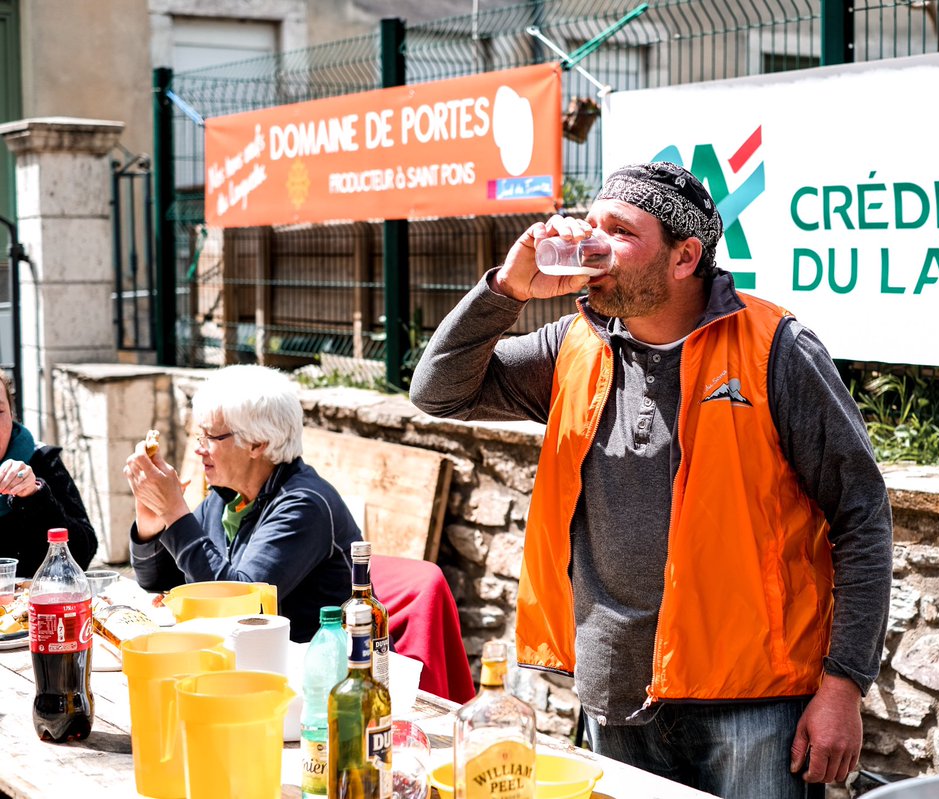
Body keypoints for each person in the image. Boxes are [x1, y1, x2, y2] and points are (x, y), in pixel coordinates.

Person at [410, 162, 893, 797]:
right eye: (592, 225)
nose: (593, 244)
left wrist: (843, 685)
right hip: (616, 692)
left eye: (620, 231)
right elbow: (437, 391)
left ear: (685, 257)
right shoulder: (573, 344)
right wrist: (506, 288)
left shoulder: (774, 348)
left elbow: (862, 515)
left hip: (751, 700)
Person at [124, 364, 361, 641]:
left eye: (211, 436)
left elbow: (238, 610)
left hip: (324, 671)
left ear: (257, 444)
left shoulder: (303, 505)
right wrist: (152, 525)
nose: (199, 447)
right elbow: (158, 581)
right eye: (199, 434)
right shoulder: (225, 497)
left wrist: (174, 513)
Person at [0, 371, 97, 575]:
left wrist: (34, 497)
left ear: (11, 414)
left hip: (28, 604)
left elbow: (83, 552)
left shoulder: (42, 460)